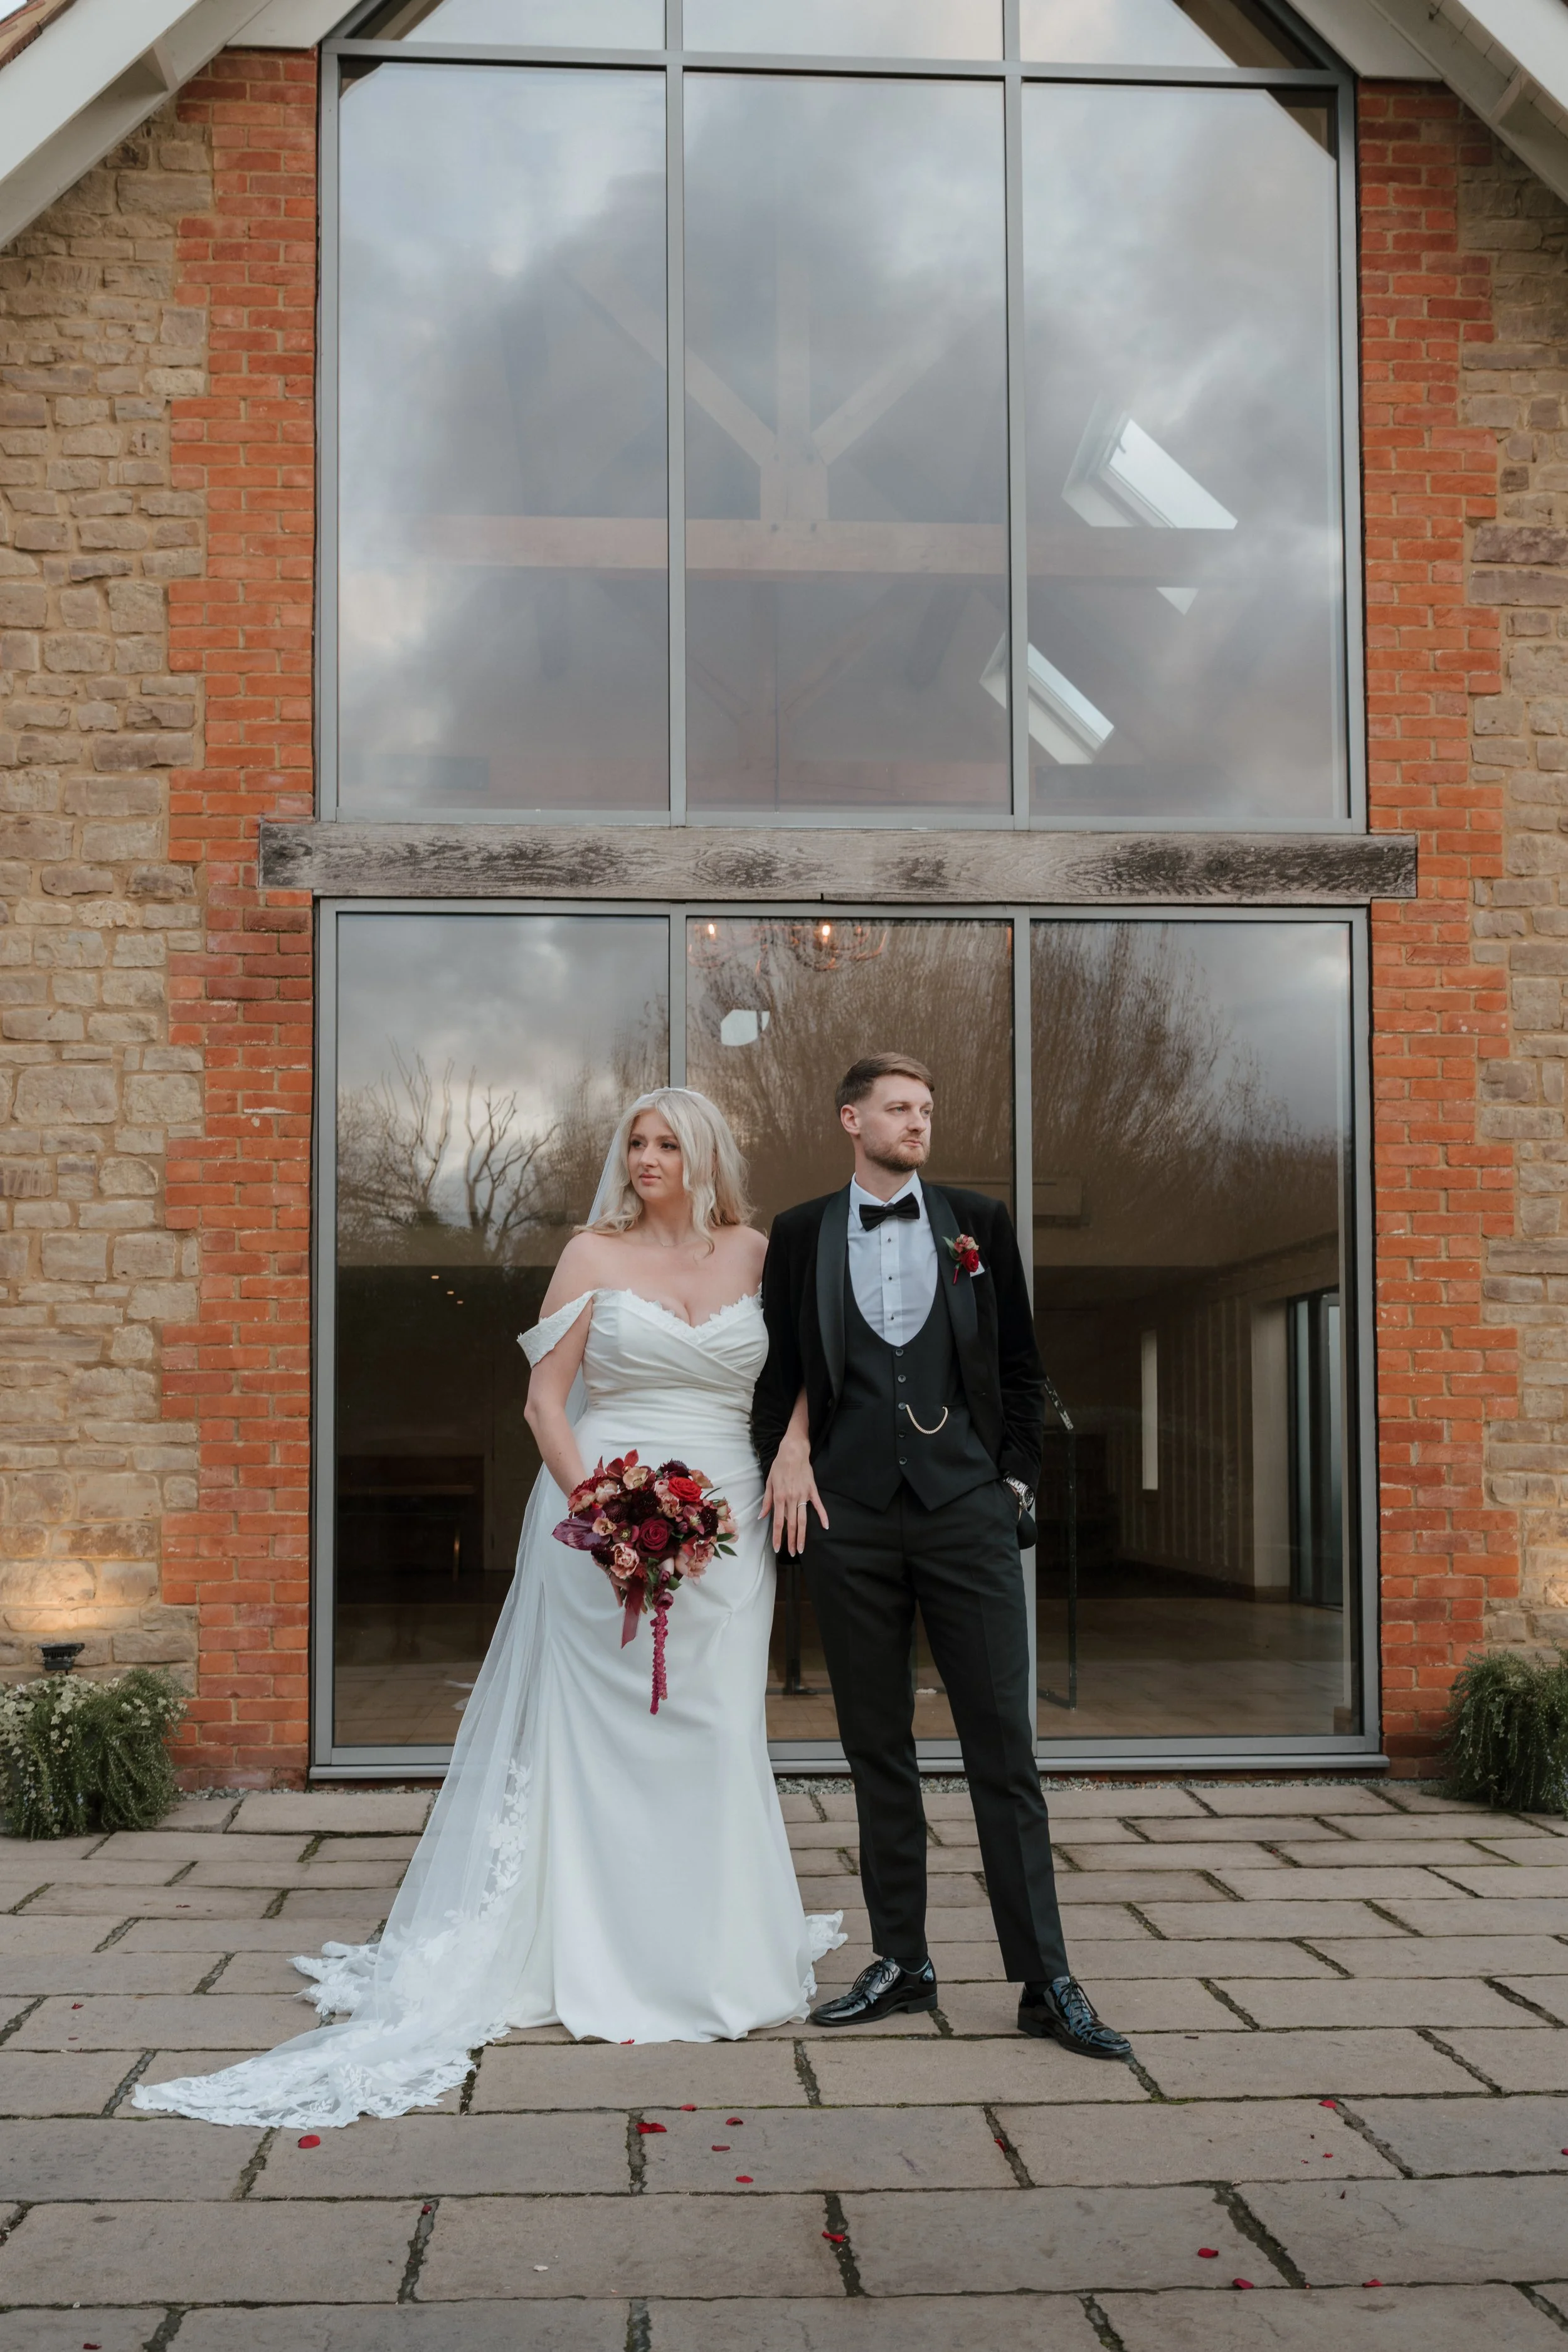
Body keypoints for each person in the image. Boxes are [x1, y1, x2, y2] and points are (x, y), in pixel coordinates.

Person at [134, 1088, 842, 2129]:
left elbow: (807, 1370)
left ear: (704, 1155)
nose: (646, 1158)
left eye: (666, 1143)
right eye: (635, 1142)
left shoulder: (756, 1253)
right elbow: (544, 1400)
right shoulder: (590, 1255)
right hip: (603, 1512)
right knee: (600, 1740)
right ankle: (590, 1949)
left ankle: (713, 1950)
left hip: (730, 1522)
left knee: (716, 1729)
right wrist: (605, 1514)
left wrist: (794, 1445)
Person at [753, 1053, 1130, 2058]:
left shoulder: (978, 1223)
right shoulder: (799, 1233)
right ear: (851, 1119)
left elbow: (1019, 1366)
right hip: (852, 1518)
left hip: (966, 1511)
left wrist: (1009, 1483)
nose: (918, 1121)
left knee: (1003, 1750)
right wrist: (787, 1459)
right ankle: (903, 1960)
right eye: (898, 1108)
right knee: (878, 1749)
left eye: (926, 1107)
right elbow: (781, 1373)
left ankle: (1046, 1981)